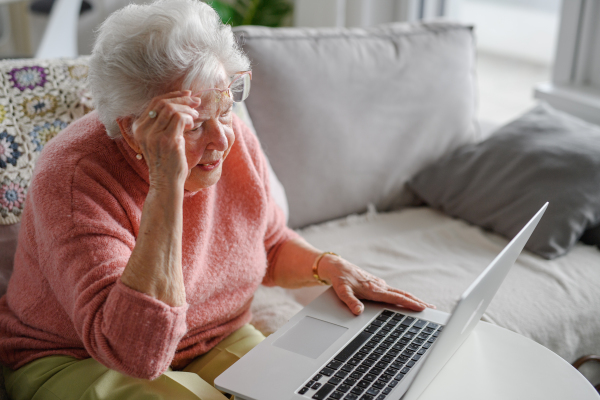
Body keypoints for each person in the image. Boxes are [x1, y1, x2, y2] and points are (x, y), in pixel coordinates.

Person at [0, 1, 432, 398]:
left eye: (225, 106)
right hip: (80, 359)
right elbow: (133, 352)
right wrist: (166, 184)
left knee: (309, 389)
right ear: (132, 130)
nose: (221, 140)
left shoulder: (232, 137)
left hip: (212, 337)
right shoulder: (73, 178)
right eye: (191, 123)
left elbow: (267, 242)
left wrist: (327, 267)